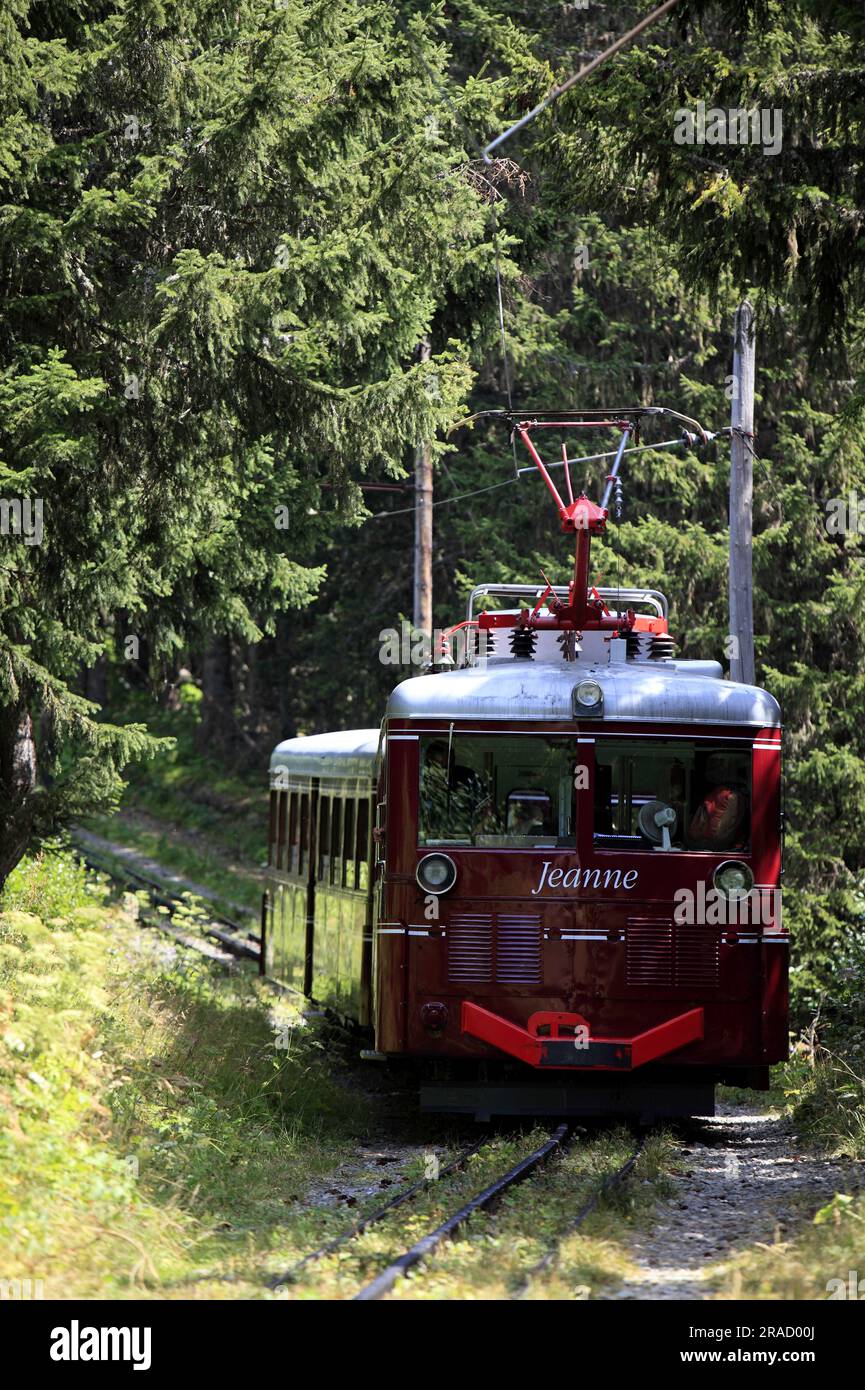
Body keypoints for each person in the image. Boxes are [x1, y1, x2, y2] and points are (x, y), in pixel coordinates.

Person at [686, 752, 748, 850]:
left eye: (715, 767)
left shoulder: (729, 796)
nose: (709, 773)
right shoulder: (720, 793)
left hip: (713, 848)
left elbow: (718, 835)